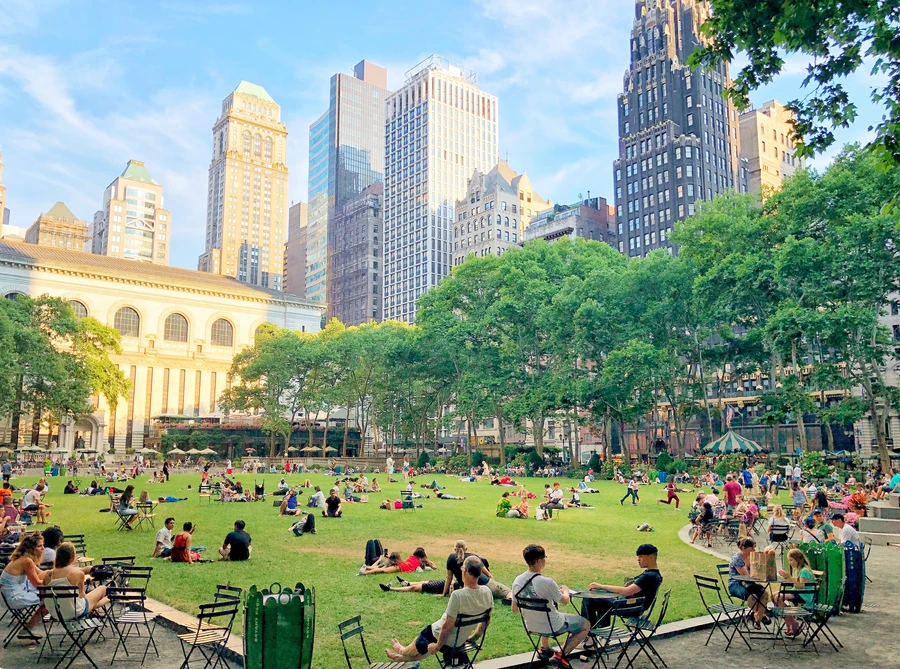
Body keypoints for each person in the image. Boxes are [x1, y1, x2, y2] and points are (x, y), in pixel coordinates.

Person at [385, 556, 493, 663]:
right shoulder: (487, 592)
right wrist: (473, 638)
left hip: (442, 639)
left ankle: (402, 651)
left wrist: (437, 647)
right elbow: (486, 622)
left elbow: (446, 627)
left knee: (425, 638)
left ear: (464, 571)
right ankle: (399, 658)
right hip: (460, 640)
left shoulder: (458, 595)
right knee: (429, 643)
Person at [511, 544, 589, 666]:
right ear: (538, 561)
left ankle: (545, 648)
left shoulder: (517, 581)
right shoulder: (547, 582)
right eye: (544, 558)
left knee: (548, 614)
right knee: (585, 625)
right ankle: (560, 655)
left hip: (531, 625)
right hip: (553, 625)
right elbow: (564, 601)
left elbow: (515, 609)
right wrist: (566, 591)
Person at [584, 544, 663, 628]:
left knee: (588, 599)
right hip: (633, 605)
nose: (638, 559)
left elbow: (627, 591)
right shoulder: (654, 574)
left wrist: (601, 586)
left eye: (641, 556)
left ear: (651, 557)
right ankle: (601, 630)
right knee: (601, 599)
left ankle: (587, 632)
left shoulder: (649, 576)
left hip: (630, 607)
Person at [42, 542, 108, 619]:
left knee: (87, 601)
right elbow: (82, 595)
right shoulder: (78, 574)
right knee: (103, 588)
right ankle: (109, 598)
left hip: (55, 613)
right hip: (74, 612)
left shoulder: (48, 575)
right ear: (72, 557)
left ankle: (94, 607)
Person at [1, 533, 48, 635]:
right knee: (51, 600)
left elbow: (42, 573)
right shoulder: (27, 561)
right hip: (14, 598)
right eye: (39, 546)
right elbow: (37, 584)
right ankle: (27, 629)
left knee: (50, 595)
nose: (43, 548)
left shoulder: (22, 558)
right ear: (31, 548)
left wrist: (59, 571)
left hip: (6, 596)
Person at [441, 539, 512, 602]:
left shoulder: (451, 558)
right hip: (485, 584)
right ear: (466, 548)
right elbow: (487, 574)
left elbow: (449, 578)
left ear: (454, 549)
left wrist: (444, 593)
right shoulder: (473, 557)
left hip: (469, 589)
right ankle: (510, 599)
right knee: (508, 591)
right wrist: (494, 582)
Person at [727, 538, 770, 627]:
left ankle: (757, 617)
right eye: (752, 548)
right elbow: (746, 576)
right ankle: (758, 616)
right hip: (736, 584)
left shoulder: (750, 557)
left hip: (749, 585)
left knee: (764, 593)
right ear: (744, 548)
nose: (754, 550)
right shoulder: (737, 559)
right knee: (753, 595)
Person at [774, 549, 816, 636]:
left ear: (797, 559)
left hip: (804, 595)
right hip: (797, 592)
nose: (789, 562)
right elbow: (795, 584)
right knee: (773, 595)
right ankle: (791, 622)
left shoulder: (804, 571)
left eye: (791, 560)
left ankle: (792, 623)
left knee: (778, 597)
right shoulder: (797, 569)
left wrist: (788, 577)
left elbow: (801, 586)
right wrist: (787, 577)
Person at [363, 547, 435, 575]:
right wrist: (427, 559)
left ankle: (366, 568)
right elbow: (434, 567)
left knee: (382, 569)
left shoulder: (411, 557)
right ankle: (365, 571)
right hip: (401, 566)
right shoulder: (421, 562)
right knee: (382, 570)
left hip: (401, 565)